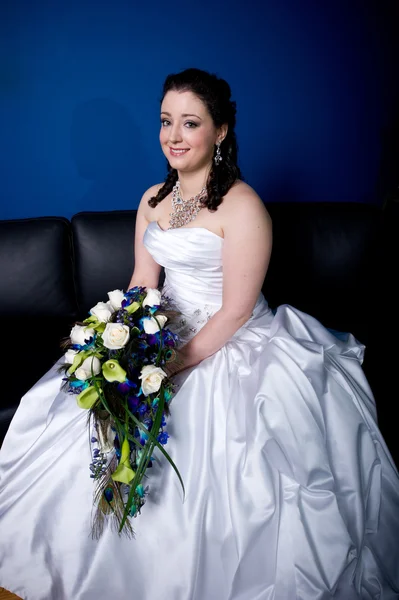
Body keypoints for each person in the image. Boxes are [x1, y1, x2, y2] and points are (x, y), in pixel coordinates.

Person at [0, 68, 398, 600]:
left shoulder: (244, 206)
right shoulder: (152, 199)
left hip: (233, 340)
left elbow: (234, 312)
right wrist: (117, 337)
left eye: (191, 123)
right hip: (166, 327)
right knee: (79, 409)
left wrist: (169, 365)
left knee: (206, 443)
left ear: (222, 131)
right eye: (167, 122)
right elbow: (143, 283)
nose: (174, 136)